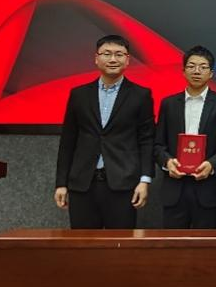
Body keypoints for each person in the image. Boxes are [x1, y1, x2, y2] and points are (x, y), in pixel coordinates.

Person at [54, 34, 154, 228]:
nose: (113, 59)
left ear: (127, 60)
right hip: (82, 183)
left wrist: (144, 180)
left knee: (120, 243)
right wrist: (61, 183)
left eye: (119, 54)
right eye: (107, 54)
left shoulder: (140, 95)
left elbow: (146, 140)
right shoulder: (79, 94)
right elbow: (68, 141)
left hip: (123, 183)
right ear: (96, 58)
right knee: (83, 243)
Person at [153, 45, 216, 228]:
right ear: (183, 71)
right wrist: (167, 162)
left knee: (206, 244)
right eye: (191, 66)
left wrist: (212, 165)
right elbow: (158, 144)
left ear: (211, 73)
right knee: (172, 243)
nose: (197, 71)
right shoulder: (168, 104)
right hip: (174, 187)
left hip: (209, 187)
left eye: (203, 67)